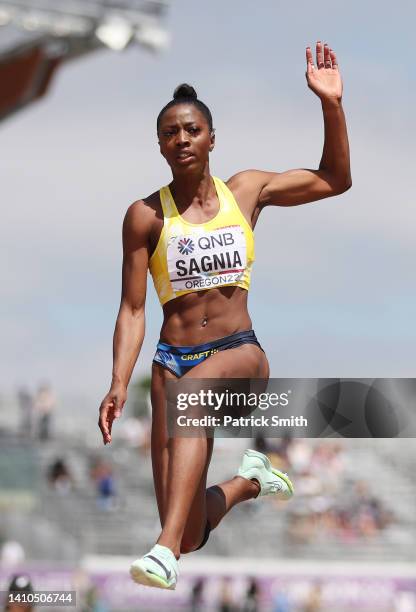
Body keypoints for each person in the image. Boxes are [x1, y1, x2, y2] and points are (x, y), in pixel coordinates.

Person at [98, 41, 351, 590]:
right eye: (171, 132)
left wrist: (331, 104)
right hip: (172, 364)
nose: (182, 139)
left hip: (239, 355)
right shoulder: (144, 217)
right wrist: (120, 380)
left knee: (172, 535)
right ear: (160, 145)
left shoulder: (247, 191)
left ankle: (162, 552)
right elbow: (133, 307)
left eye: (192, 129)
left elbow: (335, 179)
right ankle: (250, 483)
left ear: (211, 138)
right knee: (190, 530)